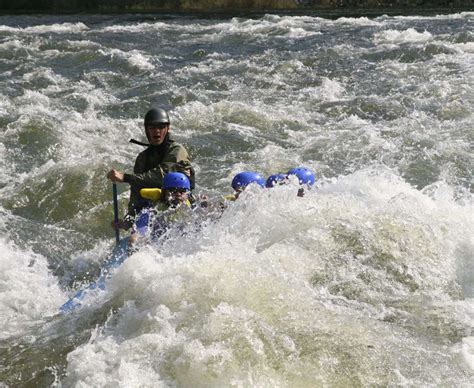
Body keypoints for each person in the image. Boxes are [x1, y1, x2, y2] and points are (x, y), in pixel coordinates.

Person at [107, 107, 194, 231]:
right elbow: (136, 193)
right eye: (152, 127)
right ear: (147, 130)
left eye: (160, 127)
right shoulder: (142, 158)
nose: (156, 131)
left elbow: (160, 175)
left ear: (167, 129)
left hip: (179, 203)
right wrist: (129, 220)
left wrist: (125, 177)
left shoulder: (177, 150)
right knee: (134, 239)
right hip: (154, 210)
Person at [129, 172, 192, 246]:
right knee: (133, 240)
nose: (178, 194)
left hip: (174, 236)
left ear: (187, 194)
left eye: (182, 191)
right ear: (164, 192)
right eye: (172, 190)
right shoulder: (155, 207)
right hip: (154, 231)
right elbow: (142, 226)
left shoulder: (189, 207)